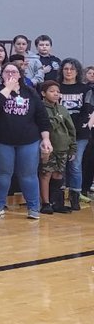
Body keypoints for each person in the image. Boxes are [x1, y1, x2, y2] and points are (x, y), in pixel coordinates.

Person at [0, 62, 48, 220]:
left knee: (28, 175)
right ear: (2, 75)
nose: (10, 74)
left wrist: (46, 138)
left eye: (14, 72)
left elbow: (42, 117)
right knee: (1, 174)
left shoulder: (31, 92)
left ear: (20, 75)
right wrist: (7, 89)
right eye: (7, 72)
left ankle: (33, 207)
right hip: (1, 140)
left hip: (29, 141)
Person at [57, 58, 92, 212]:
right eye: (66, 69)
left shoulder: (85, 89)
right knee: (61, 165)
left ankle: (75, 197)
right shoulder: (56, 87)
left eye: (72, 69)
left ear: (78, 72)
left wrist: (75, 130)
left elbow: (87, 110)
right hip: (59, 132)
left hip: (80, 133)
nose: (69, 72)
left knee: (75, 165)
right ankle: (58, 197)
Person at [39, 80, 75, 214]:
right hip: (48, 148)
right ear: (43, 93)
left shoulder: (62, 109)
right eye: (52, 91)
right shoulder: (41, 108)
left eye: (57, 92)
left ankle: (57, 203)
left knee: (59, 174)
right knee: (45, 173)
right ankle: (45, 203)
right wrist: (57, 118)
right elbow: (47, 126)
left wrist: (73, 146)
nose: (55, 94)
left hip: (63, 147)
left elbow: (71, 130)